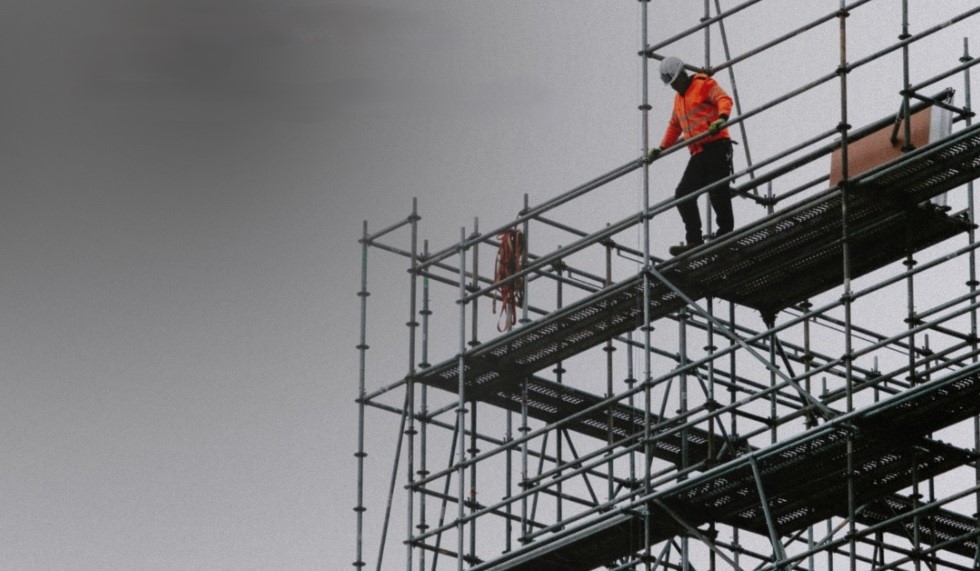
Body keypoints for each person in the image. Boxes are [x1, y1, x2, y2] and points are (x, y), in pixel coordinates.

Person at [647, 56, 735, 256]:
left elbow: (724, 99)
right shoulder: (679, 99)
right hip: (698, 152)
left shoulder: (704, 84)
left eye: (675, 81)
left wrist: (722, 119)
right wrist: (661, 148)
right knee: (683, 194)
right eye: (671, 84)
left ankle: (725, 235)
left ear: (683, 74)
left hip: (717, 145)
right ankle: (694, 240)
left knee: (718, 191)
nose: (674, 87)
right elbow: (675, 125)